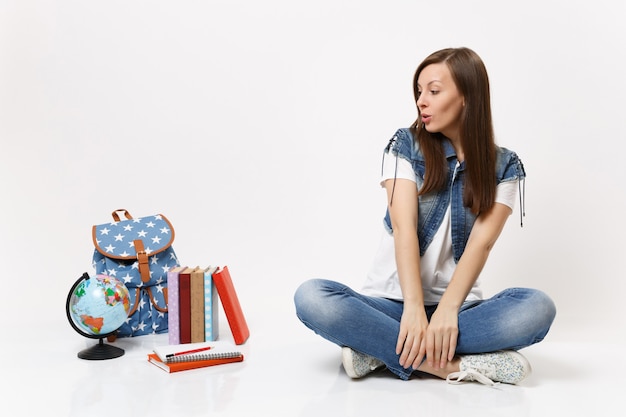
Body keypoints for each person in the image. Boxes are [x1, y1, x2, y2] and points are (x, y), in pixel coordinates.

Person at [293, 47, 556, 386]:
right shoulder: (405, 145)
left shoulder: (504, 167)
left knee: (537, 308)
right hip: (392, 304)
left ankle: (375, 350)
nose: (421, 101)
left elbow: (482, 244)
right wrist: (414, 311)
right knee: (313, 297)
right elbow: (405, 229)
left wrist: (446, 311)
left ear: (467, 96)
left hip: (459, 314)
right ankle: (452, 365)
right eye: (419, 91)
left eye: (433, 90)